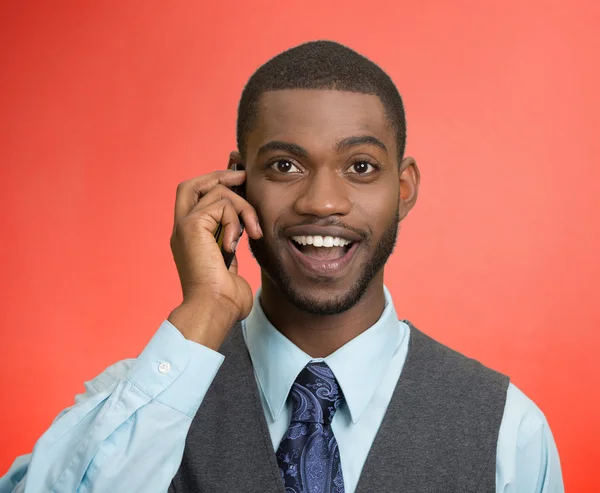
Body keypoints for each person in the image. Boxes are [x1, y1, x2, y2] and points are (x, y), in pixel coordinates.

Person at [0, 40, 563, 493]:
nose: (322, 201)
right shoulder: (138, 402)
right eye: (286, 165)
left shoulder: (506, 430)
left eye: (361, 165)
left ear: (405, 188)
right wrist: (205, 310)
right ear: (236, 180)